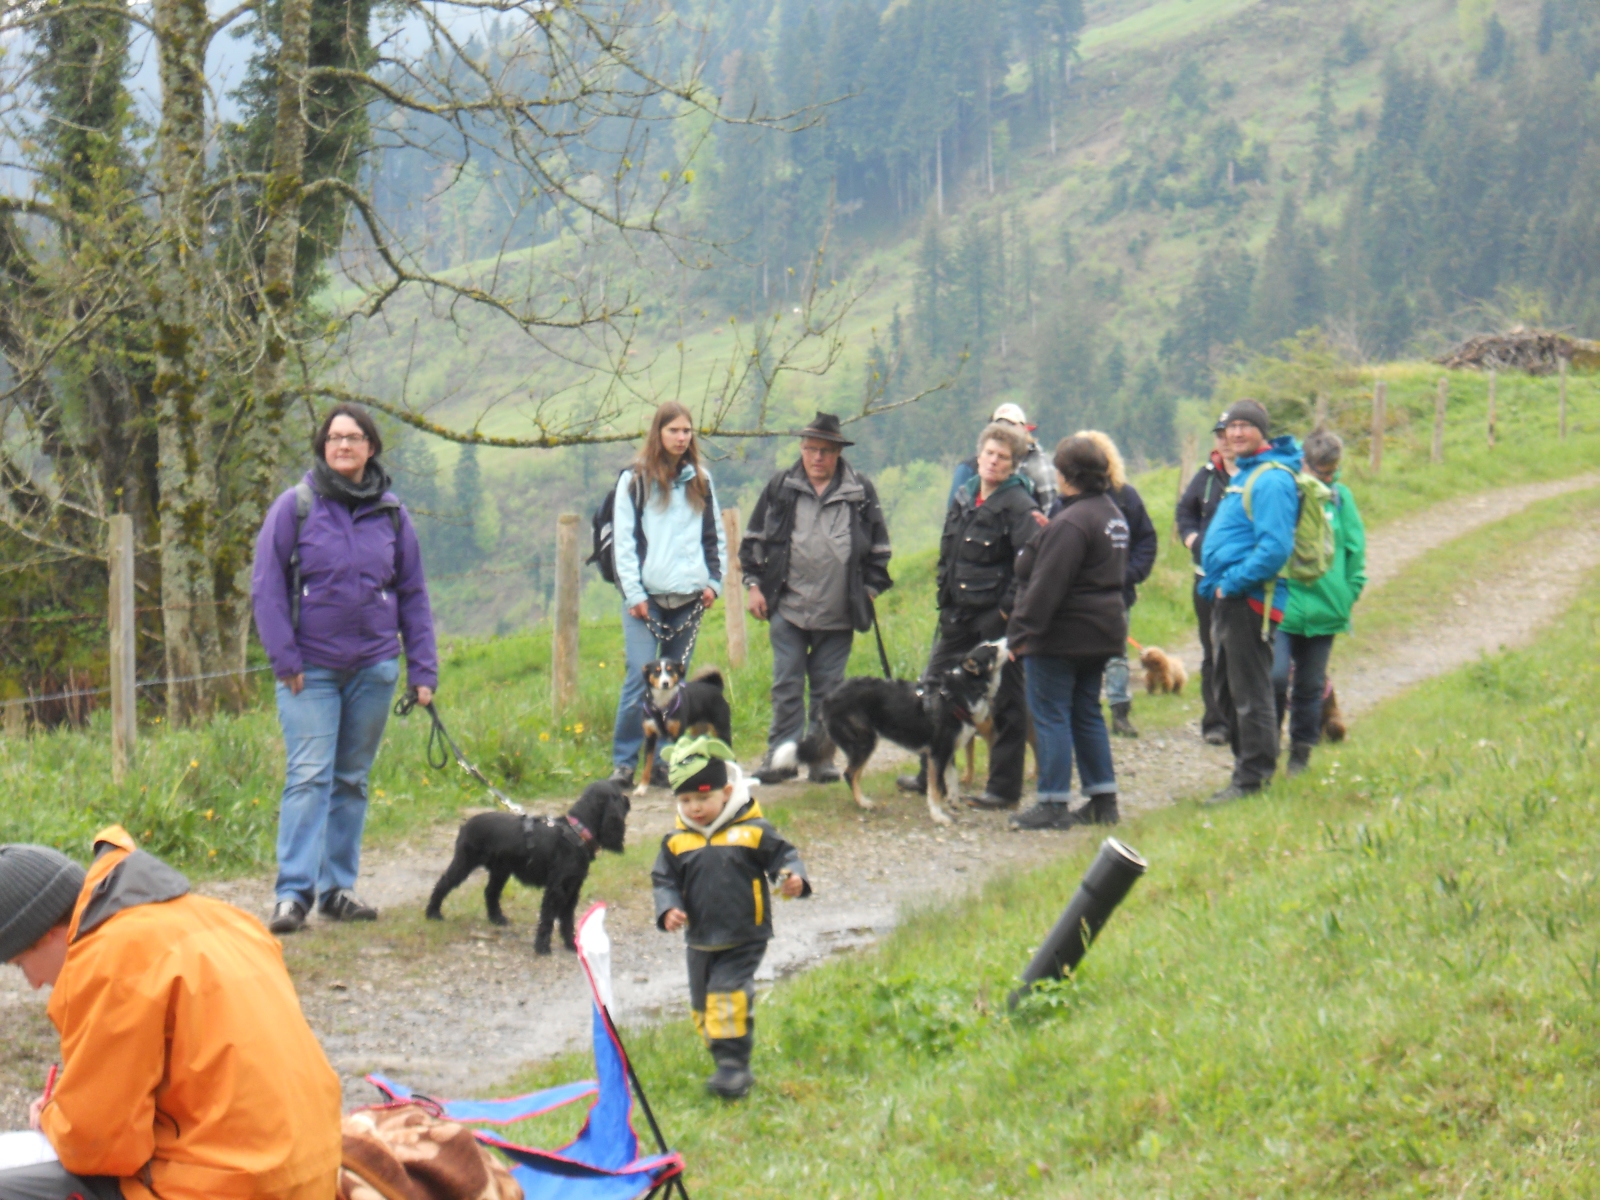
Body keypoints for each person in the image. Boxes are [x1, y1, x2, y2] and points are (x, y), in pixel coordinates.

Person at [0, 828, 341, 1200]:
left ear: (46, 933)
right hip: (313, 1176)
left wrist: (51, 1117)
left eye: (20, 964)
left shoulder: (111, 957)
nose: (34, 983)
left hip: (233, 1188)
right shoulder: (223, 917)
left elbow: (99, 1146)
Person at [252, 402, 437, 934]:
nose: (344, 446)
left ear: (370, 447)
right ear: (323, 447)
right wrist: (284, 658)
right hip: (308, 671)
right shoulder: (295, 507)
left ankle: (338, 889)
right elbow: (266, 586)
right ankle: (292, 895)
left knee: (351, 779)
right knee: (309, 776)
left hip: (374, 668)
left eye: (354, 438)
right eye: (334, 438)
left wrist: (422, 670)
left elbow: (412, 593)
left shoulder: (392, 514)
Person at [651, 737, 810, 1100]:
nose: (694, 808)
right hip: (700, 938)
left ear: (725, 792)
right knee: (701, 1005)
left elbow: (783, 857)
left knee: (727, 993)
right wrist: (668, 908)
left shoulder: (752, 830)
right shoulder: (677, 840)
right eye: (685, 800)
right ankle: (722, 1051)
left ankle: (734, 1067)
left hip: (744, 933)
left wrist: (792, 877)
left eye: (702, 798)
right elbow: (664, 879)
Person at [740, 413, 893, 784]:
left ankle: (821, 759)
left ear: (838, 452)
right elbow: (754, 539)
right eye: (811, 449)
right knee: (786, 685)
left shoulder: (859, 491)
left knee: (829, 690)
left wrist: (868, 591)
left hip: (839, 612)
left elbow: (880, 549)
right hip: (787, 607)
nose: (817, 457)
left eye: (825, 451)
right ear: (801, 449)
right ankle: (781, 758)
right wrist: (754, 586)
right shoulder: (781, 487)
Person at [895, 423, 1040, 808]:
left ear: (1013, 464)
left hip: (997, 620)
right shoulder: (965, 496)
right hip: (957, 616)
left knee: (1007, 700)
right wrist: (944, 595)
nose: (994, 461)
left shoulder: (1021, 505)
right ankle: (931, 775)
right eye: (989, 453)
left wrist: (1006, 611)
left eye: (1003, 457)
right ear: (979, 455)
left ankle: (1003, 789)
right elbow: (949, 551)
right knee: (931, 689)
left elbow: (1030, 565)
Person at [1006, 436, 1130, 831]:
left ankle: (1053, 802)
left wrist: (1020, 634)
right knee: (1086, 711)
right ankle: (1102, 799)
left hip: (1062, 635)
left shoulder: (1072, 522)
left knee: (1050, 714)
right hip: (1102, 632)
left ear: (1067, 476)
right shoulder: (1110, 514)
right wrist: (1052, 533)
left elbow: (1048, 585)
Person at [607, 402, 727, 788]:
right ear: (658, 433)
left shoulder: (701, 480)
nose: (681, 437)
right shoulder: (635, 481)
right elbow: (624, 542)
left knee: (675, 685)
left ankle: (663, 760)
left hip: (689, 598)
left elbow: (714, 535)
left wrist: (714, 582)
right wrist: (634, 594)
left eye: (686, 431)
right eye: (673, 430)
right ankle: (625, 762)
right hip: (647, 600)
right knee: (639, 676)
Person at [1198, 400, 1303, 805]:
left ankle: (1253, 780)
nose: (1237, 433)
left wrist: (1231, 584)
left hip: (1251, 600)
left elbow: (1275, 548)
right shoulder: (1247, 473)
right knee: (1227, 689)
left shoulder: (1271, 480)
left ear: (1262, 430)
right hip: (1231, 598)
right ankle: (1247, 768)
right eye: (1231, 426)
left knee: (1250, 692)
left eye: (1245, 425)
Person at [1273, 429, 1366, 776]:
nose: (1328, 478)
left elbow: (1355, 549)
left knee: (1311, 686)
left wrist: (1349, 592)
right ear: (1304, 463)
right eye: (1321, 471)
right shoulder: (1287, 492)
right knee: (1275, 678)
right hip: (1285, 607)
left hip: (1326, 609)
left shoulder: (1341, 498)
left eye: (1332, 471)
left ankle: (1300, 755)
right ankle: (1267, 747)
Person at [1075, 430, 1157, 739]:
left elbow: (1146, 540)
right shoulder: (1068, 499)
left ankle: (1120, 712)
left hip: (1116, 595)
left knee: (1117, 653)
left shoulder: (1126, 497)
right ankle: (1082, 712)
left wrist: (1129, 574)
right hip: (1078, 596)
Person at [1176, 414, 1239, 745]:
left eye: (1229, 433)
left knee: (1242, 650)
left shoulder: (1255, 476)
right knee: (1212, 649)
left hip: (1244, 580)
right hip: (1205, 579)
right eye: (1219, 435)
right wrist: (1192, 540)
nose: (1224, 441)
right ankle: (1215, 721)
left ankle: (1244, 718)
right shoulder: (1206, 477)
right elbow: (1184, 512)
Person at [948, 402, 1056, 510]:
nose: (1005, 430)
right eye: (999, 425)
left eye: (1011, 425)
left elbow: (1050, 507)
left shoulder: (1040, 463)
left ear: (1024, 429)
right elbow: (955, 509)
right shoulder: (969, 467)